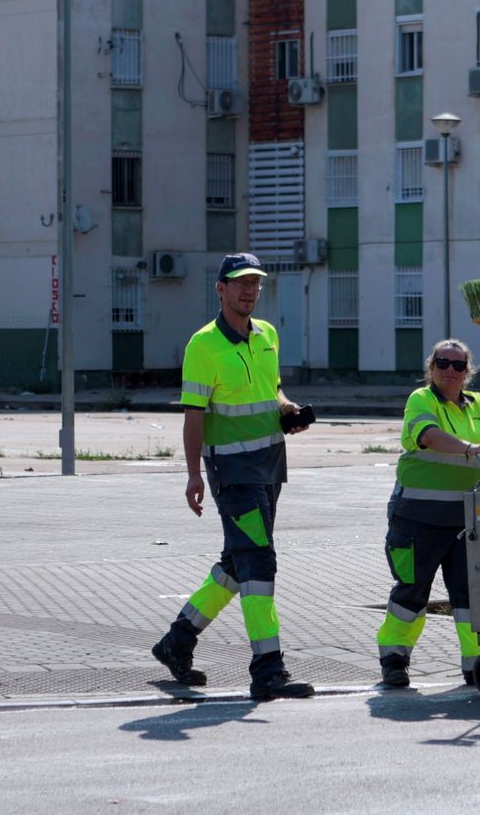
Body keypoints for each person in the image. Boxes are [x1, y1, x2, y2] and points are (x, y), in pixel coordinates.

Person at [151, 252, 315, 702]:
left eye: (256, 283)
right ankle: (268, 669)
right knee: (259, 564)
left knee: (237, 564)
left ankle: (176, 642)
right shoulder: (202, 345)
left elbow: (272, 389)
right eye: (240, 282)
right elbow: (193, 417)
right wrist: (192, 475)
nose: (249, 290)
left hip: (270, 466)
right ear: (220, 289)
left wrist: (288, 410)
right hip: (233, 472)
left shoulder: (268, 335)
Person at [376, 338, 480, 688]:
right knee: (412, 590)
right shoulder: (421, 400)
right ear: (431, 367)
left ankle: (476, 661)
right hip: (418, 518)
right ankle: (394, 657)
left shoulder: (479, 405)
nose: (450, 371)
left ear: (468, 372)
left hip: (467, 519)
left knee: (470, 594)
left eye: (458, 365)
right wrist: (469, 449)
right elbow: (430, 436)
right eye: (442, 363)